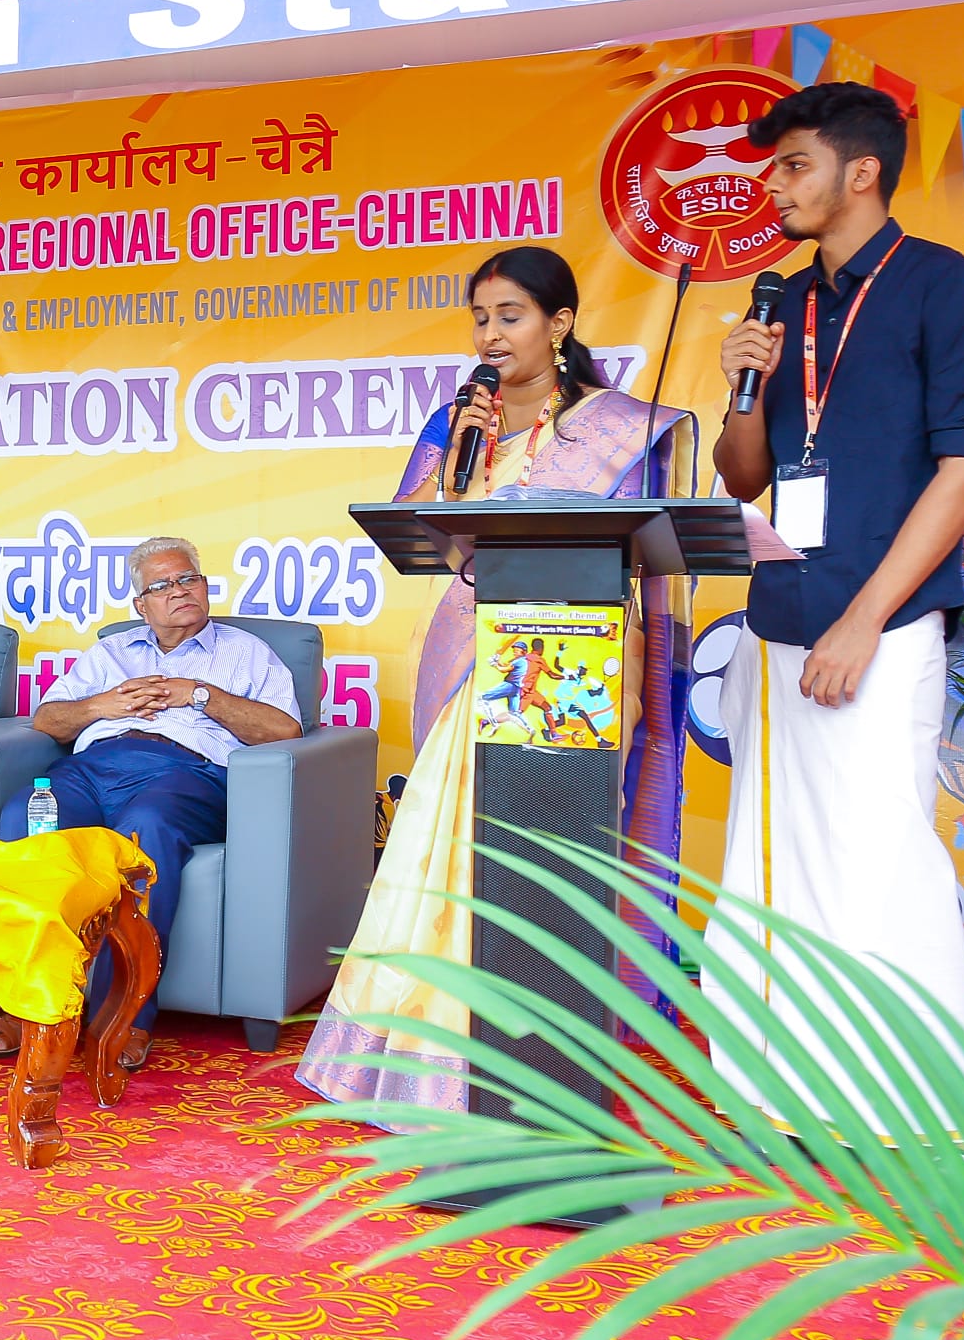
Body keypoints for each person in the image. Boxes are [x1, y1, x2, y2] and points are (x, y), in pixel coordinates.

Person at [296, 244, 695, 1116]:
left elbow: (645, 551)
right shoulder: (457, 426)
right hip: (471, 646)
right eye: (480, 318)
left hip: (580, 661)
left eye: (510, 315)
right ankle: (435, 1059)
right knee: (446, 844)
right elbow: (424, 532)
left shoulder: (622, 429)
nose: (491, 334)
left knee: (555, 854)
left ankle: (547, 1059)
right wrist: (466, 458)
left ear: (560, 323)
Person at [707, 81, 964, 1119]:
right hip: (778, 616)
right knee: (771, 858)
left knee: (878, 857)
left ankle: (909, 1105)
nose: (774, 186)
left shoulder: (947, 287)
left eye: (794, 165)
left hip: (879, 624)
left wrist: (864, 619)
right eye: (772, 168)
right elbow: (744, 476)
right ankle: (776, 1087)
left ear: (862, 171)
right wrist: (743, 387)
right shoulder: (783, 304)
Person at [0, 536, 302, 1073]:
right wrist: (103, 704)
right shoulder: (112, 653)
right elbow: (48, 719)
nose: (180, 591)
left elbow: (284, 729)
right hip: (93, 768)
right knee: (25, 819)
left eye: (189, 579)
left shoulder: (246, 652)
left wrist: (200, 695)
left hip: (184, 773)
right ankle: (26, 1008)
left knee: (145, 830)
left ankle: (124, 1017)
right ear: (140, 605)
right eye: (163, 585)